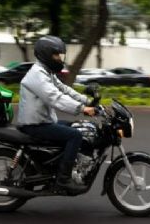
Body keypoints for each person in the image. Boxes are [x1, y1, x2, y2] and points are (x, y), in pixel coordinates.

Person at [17, 35, 96, 193]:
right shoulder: (37, 75)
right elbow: (56, 98)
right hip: (35, 125)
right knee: (74, 136)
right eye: (56, 55)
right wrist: (82, 109)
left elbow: (64, 89)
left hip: (43, 121)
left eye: (61, 55)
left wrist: (87, 101)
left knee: (78, 127)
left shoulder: (46, 72)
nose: (60, 59)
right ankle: (63, 180)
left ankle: (66, 165)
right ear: (46, 54)